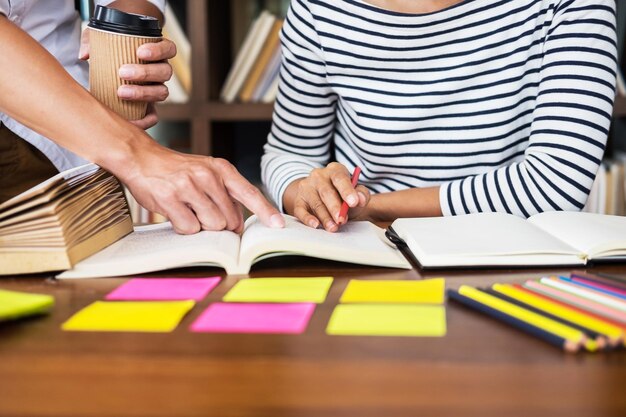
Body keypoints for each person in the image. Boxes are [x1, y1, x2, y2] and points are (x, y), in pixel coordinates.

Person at [261, 0, 617, 232]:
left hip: (513, 253)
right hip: (367, 253)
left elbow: (554, 185)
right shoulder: (317, 9)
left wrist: (373, 208)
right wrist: (309, 195)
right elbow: (289, 152)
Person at [0, 0, 285, 234]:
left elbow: (130, 6)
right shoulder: (124, 151)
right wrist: (135, 154)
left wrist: (127, 39)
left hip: (78, 128)